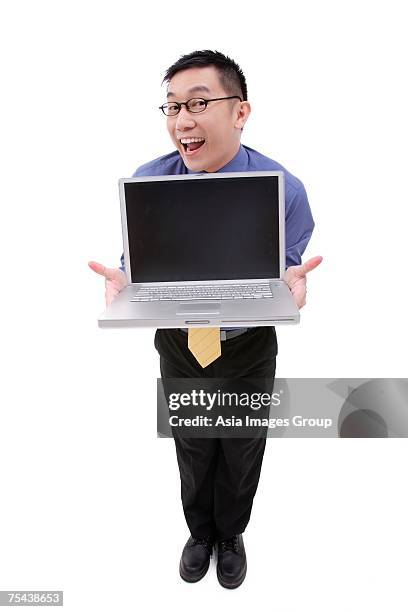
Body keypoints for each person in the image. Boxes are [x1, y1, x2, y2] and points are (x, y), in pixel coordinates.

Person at [89, 50, 322, 589]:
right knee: (192, 442)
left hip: (248, 342)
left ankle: (231, 533)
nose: (182, 121)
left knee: (241, 443)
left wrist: (290, 286)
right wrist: (127, 283)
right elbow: (138, 264)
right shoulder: (149, 181)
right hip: (179, 340)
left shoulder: (284, 188)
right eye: (171, 107)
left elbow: (288, 265)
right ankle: (199, 532)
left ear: (240, 112)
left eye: (197, 103)